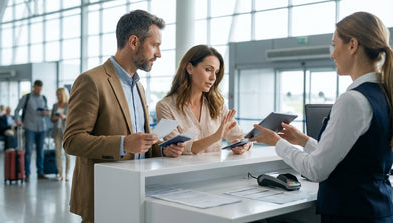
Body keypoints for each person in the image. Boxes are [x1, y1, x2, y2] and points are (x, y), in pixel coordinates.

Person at [248, 12, 393, 222]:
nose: (332, 55)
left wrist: (277, 142)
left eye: (335, 45)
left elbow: (316, 170)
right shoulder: (384, 94)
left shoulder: (353, 100)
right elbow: (351, 160)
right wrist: (303, 141)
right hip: (376, 209)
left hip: (352, 214)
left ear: (352, 45)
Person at [63, 10, 184, 222]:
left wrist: (163, 149)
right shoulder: (91, 81)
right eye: (155, 45)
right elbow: (72, 141)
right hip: (103, 196)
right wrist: (123, 143)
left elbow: (140, 143)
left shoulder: (139, 86)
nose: (159, 54)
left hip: (136, 193)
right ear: (134, 42)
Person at [156, 45, 252, 155]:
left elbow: (242, 137)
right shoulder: (165, 106)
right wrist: (216, 136)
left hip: (215, 171)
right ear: (189, 68)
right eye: (208, 70)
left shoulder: (218, 105)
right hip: (183, 171)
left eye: (216, 72)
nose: (213, 78)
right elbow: (177, 149)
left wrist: (243, 145)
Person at [14, 80, 49, 182]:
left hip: (42, 128)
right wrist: (18, 121)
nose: (38, 90)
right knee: (28, 151)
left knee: (40, 151)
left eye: (40, 88)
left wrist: (45, 112)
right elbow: (17, 110)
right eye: (37, 88)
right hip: (29, 127)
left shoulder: (43, 98)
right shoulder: (27, 97)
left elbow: (47, 110)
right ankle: (27, 173)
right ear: (33, 87)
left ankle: (40, 172)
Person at [50, 87, 71, 181]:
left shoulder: (69, 105)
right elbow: (51, 118)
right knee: (58, 153)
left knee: (67, 153)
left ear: (63, 94)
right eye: (57, 94)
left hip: (66, 131)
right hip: (57, 131)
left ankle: (67, 173)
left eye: (59, 94)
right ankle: (60, 174)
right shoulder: (55, 105)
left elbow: (72, 118)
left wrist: (65, 117)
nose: (58, 96)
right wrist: (54, 118)